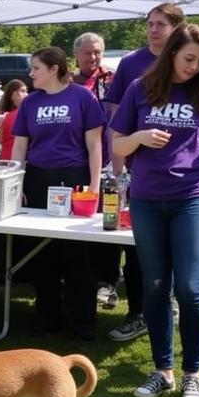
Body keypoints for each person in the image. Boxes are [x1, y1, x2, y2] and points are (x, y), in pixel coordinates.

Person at [111, 23, 199, 397]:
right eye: (188, 59)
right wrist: (140, 138)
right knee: (155, 285)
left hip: (194, 195)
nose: (194, 67)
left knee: (188, 286)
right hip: (148, 198)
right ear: (171, 54)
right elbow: (118, 144)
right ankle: (163, 370)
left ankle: (192, 375)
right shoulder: (140, 89)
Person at [10, 47, 105, 339]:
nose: (30, 73)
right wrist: (14, 183)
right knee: (42, 253)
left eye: (35, 68)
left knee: (76, 254)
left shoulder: (82, 97)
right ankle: (46, 315)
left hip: (73, 179)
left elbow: (94, 145)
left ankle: (82, 321)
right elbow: (20, 147)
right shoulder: (30, 103)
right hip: (38, 180)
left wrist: (94, 186)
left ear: (54, 69)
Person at [105, 4, 185, 343]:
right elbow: (114, 117)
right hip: (139, 174)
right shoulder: (130, 65)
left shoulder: (189, 62)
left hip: (185, 178)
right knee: (138, 248)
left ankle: (175, 304)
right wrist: (118, 170)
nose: (153, 30)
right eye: (149, 24)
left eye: (160, 24)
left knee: (176, 249)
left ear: (177, 28)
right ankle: (138, 312)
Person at [71, 32, 119, 310]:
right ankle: (85, 280)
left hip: (111, 160)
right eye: (88, 52)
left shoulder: (111, 80)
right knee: (81, 224)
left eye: (98, 52)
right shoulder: (70, 83)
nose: (93, 57)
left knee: (108, 221)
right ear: (76, 54)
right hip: (79, 161)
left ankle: (108, 281)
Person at [0, 78, 26, 161]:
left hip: (18, 157)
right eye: (22, 91)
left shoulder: (25, 111)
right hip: (8, 157)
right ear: (13, 94)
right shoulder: (2, 113)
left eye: (26, 91)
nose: (26, 94)